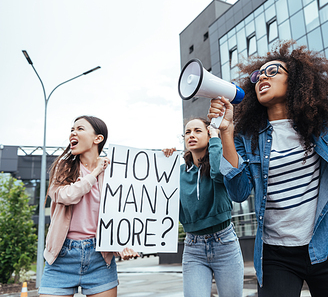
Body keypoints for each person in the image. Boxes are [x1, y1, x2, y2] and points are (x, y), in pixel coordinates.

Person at [209, 0, 328, 297]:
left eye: (273, 72)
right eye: (258, 75)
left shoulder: (319, 120)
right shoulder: (248, 136)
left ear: (297, 81)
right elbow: (238, 190)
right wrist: (227, 134)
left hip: (325, 247)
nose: (263, 77)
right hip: (276, 256)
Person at [39, 115, 138, 297]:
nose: (73, 133)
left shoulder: (114, 171)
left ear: (97, 139)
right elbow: (67, 196)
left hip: (99, 258)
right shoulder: (64, 167)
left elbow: (123, 211)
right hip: (62, 257)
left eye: (79, 129)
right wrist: (95, 172)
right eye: (72, 130)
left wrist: (122, 245)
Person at [162, 118, 244, 297]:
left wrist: (216, 137)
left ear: (208, 134)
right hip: (193, 247)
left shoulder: (220, 161)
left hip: (225, 244)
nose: (191, 135)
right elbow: (160, 199)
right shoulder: (178, 172)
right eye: (188, 132)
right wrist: (163, 162)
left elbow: (217, 174)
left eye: (198, 131)